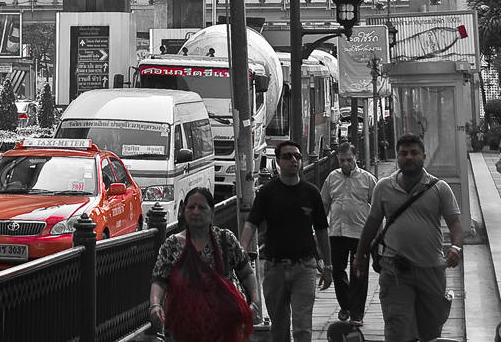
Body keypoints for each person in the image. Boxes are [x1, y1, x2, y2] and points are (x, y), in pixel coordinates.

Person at [353, 133, 463, 342]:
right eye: (403, 153)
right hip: (395, 270)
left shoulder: (440, 188)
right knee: (397, 329)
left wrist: (456, 248)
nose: (409, 157)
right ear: (397, 157)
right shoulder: (383, 187)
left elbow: (455, 224)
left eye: (414, 153)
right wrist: (359, 257)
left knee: (430, 331)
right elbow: (371, 225)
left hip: (431, 269)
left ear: (424, 156)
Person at [241, 140, 332, 342]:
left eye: (297, 156)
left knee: (302, 328)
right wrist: (241, 252)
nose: (294, 160)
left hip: (305, 267)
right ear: (278, 162)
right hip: (275, 269)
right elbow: (251, 224)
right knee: (279, 330)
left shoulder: (311, 193)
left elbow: (322, 230)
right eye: (288, 156)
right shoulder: (267, 193)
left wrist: (329, 266)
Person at [149, 187, 259, 342]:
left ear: (212, 212)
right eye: (191, 207)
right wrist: (155, 305)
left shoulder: (226, 240)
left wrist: (255, 302)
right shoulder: (172, 245)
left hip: (222, 327)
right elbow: (159, 280)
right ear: (183, 211)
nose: (195, 212)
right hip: (181, 328)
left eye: (201, 207)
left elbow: (246, 273)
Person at [320, 142, 376, 326]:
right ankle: (346, 305)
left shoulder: (367, 179)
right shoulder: (332, 178)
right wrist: (319, 229)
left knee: (359, 273)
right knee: (337, 270)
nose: (345, 164)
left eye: (349, 160)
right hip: (337, 231)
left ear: (356, 157)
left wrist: (376, 234)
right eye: (342, 160)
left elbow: (376, 207)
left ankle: (357, 314)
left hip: (360, 233)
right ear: (337, 159)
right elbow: (325, 204)